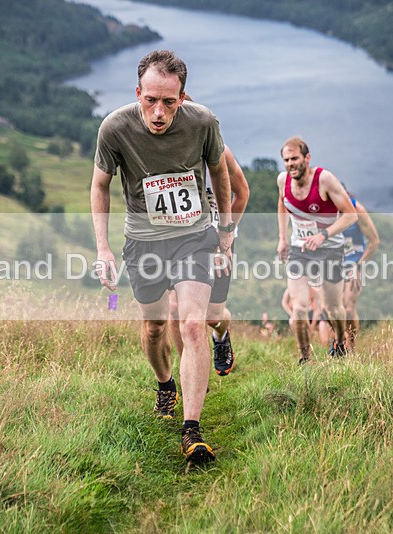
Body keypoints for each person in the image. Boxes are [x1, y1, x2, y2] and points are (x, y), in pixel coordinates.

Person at [90, 50, 234, 465]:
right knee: (154, 328)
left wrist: (224, 232)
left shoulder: (204, 122)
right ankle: (165, 383)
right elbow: (99, 186)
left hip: (193, 237)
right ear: (138, 92)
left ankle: (192, 430)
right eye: (150, 100)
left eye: (169, 102)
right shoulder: (114, 128)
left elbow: (219, 173)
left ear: (182, 98)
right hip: (144, 242)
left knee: (191, 324)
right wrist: (102, 249)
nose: (158, 112)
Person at [169, 137, 249, 377]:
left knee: (212, 316)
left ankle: (221, 334)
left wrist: (225, 238)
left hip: (217, 240)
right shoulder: (163, 153)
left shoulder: (220, 152)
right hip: (179, 241)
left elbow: (242, 194)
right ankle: (191, 372)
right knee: (175, 309)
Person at [277, 136, 357, 364]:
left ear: (307, 158)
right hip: (299, 249)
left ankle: (340, 343)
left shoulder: (325, 180)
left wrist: (324, 235)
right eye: (286, 160)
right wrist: (283, 239)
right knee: (300, 309)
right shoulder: (283, 181)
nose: (290, 164)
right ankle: (305, 359)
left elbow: (351, 214)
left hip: (330, 248)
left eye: (294, 159)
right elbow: (281, 205)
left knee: (334, 309)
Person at [341, 185, 379, 350]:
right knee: (332, 308)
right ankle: (338, 343)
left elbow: (374, 242)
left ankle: (351, 346)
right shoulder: (325, 210)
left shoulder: (357, 210)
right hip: (332, 263)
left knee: (348, 308)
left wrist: (358, 267)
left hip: (353, 262)